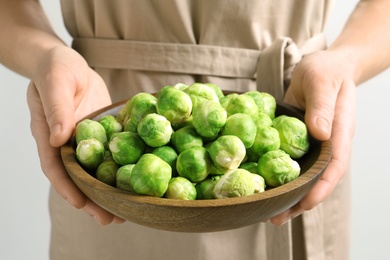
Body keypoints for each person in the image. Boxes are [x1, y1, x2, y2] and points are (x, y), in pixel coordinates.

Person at [1, 0, 390, 259]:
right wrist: (45, 57)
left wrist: (346, 61)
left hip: (296, 106)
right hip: (102, 112)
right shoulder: (122, 139)